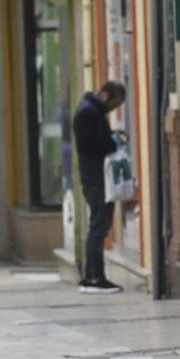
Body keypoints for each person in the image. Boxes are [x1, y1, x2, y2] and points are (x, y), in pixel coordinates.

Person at [71, 81, 126, 295]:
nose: (113, 109)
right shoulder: (88, 113)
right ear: (105, 95)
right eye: (114, 104)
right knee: (98, 227)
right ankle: (94, 277)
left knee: (99, 226)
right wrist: (113, 142)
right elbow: (89, 145)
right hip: (95, 178)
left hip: (96, 177)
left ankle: (95, 276)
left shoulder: (91, 110)